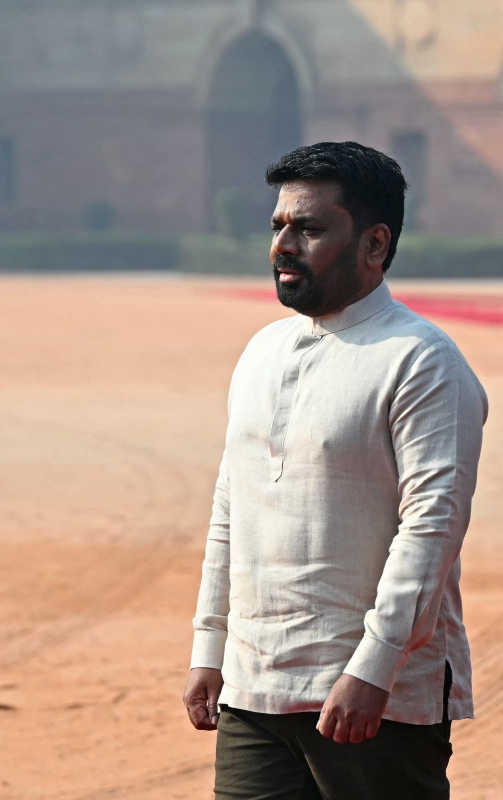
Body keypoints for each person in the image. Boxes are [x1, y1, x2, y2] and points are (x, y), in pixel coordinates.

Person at [183, 141, 488, 799]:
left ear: (375, 244)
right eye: (278, 226)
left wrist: (374, 669)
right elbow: (231, 506)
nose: (283, 245)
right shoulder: (262, 351)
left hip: (372, 702)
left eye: (310, 228)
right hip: (255, 687)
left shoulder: (422, 361)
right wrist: (212, 649)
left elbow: (431, 529)